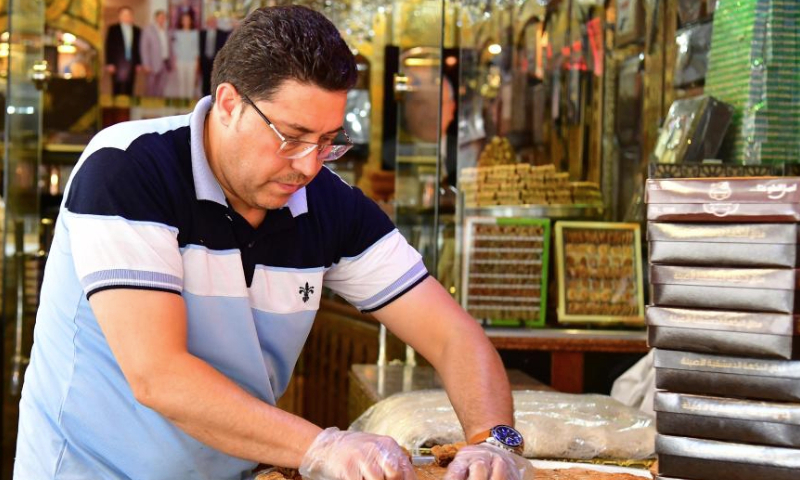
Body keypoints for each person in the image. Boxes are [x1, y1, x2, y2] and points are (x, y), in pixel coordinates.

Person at [14, 6, 533, 480]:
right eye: (292, 135)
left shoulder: (329, 202)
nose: (309, 165)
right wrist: (322, 446)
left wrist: (496, 442)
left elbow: (453, 335)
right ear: (228, 103)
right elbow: (158, 375)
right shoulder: (128, 167)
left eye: (328, 141)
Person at [104, 6, 142, 96]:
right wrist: (109, 63)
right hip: (117, 63)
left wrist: (139, 63)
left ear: (132, 16)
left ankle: (128, 109)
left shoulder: (137, 30)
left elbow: (139, 48)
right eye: (124, 14)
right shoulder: (113, 29)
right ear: (119, 16)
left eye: (128, 14)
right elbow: (108, 46)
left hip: (131, 62)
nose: (126, 16)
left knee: (130, 87)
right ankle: (116, 108)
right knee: (117, 88)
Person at [140, 9, 173, 97]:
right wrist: (146, 64)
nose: (162, 19)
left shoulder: (167, 31)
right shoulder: (148, 30)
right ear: (155, 18)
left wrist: (172, 62)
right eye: (160, 17)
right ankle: (149, 108)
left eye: (164, 17)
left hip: (165, 63)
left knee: (161, 88)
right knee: (150, 88)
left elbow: (170, 48)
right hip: (152, 64)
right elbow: (144, 48)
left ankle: (158, 108)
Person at [199, 15, 231, 97]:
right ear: (207, 23)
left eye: (214, 21)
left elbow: (230, 31)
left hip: (215, 60)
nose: (212, 23)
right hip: (205, 60)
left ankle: (213, 96)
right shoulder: (202, 33)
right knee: (205, 78)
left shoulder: (221, 33)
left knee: (214, 78)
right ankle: (204, 95)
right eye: (211, 21)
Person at [172, 12, 200, 99]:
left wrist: (197, 63)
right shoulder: (177, 33)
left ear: (190, 21)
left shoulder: (195, 33)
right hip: (180, 61)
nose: (186, 21)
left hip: (191, 61)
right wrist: (175, 62)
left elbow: (196, 48)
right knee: (181, 83)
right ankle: (181, 104)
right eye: (184, 20)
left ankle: (189, 105)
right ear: (181, 21)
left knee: (190, 83)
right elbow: (175, 48)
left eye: (188, 20)